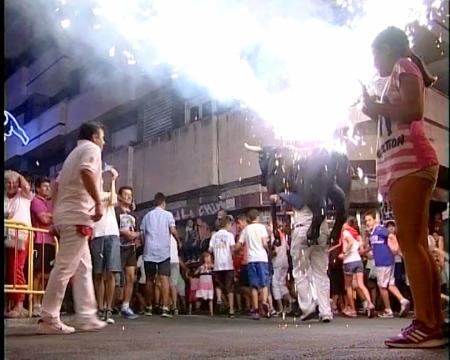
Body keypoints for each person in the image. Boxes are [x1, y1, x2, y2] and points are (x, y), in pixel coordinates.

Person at [362, 26, 445, 348]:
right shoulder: (403, 69)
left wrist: (377, 108)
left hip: (411, 165)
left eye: (374, 54)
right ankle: (433, 322)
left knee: (412, 246)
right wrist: (375, 109)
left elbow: (413, 111)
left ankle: (426, 325)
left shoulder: (403, 66)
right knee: (418, 246)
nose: (373, 62)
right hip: (409, 166)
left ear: (386, 49)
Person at [38, 122, 107, 334]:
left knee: (83, 267)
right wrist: (98, 202)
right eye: (102, 137)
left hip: (68, 215)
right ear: (95, 136)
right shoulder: (91, 149)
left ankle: (86, 315)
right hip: (78, 215)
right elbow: (87, 172)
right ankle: (49, 317)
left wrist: (57, 213)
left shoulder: (74, 153)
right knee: (65, 267)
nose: (104, 142)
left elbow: (56, 185)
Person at [278, 193, 333, 323]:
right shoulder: (323, 190)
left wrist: (280, 194)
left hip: (302, 229)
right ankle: (326, 311)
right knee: (321, 273)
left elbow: (298, 201)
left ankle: (308, 306)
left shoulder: (301, 190)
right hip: (322, 230)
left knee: (299, 271)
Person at [89, 167, 122, 324]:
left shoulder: (108, 195)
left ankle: (109, 308)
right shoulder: (89, 197)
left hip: (111, 234)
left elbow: (114, 201)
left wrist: (114, 180)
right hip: (97, 235)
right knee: (98, 274)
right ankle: (99, 307)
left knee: (111, 273)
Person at [364, 211, 410, 320]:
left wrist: (396, 250)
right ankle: (403, 301)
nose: (367, 223)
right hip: (384, 261)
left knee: (381, 286)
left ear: (375, 219)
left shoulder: (380, 230)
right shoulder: (374, 232)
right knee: (390, 284)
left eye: (369, 220)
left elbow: (391, 236)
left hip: (383, 262)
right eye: (366, 221)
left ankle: (388, 310)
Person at [142, 192, 180, 318]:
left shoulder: (147, 216)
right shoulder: (168, 215)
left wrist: (144, 245)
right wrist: (179, 241)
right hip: (164, 251)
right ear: (164, 203)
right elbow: (173, 230)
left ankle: (148, 307)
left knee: (149, 279)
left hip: (149, 251)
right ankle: (164, 308)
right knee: (164, 278)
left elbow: (142, 234)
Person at [5, 170, 33, 318]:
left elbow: (27, 187)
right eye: (8, 183)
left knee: (17, 269)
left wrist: (14, 173)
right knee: (10, 270)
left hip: (21, 235)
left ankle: (20, 304)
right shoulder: (5, 199)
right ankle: (11, 304)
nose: (11, 185)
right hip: (8, 237)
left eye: (14, 183)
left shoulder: (23, 195)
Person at [235, 209, 270, 320]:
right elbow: (264, 243)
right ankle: (264, 302)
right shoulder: (262, 227)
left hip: (251, 259)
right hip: (262, 258)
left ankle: (255, 310)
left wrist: (232, 249)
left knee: (254, 286)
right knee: (264, 283)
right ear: (258, 217)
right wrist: (268, 251)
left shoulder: (246, 230)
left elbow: (239, 245)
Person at [340, 218, 375, 318]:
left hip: (349, 261)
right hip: (358, 261)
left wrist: (344, 253)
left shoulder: (346, 232)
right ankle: (369, 303)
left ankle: (353, 309)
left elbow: (350, 243)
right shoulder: (358, 236)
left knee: (349, 286)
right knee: (361, 284)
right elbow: (361, 249)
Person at [30, 177, 56, 317]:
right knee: (37, 273)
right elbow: (44, 219)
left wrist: (51, 215)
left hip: (51, 242)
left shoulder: (50, 203)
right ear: (38, 188)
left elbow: (51, 217)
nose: (47, 189)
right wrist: (54, 216)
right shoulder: (35, 201)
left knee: (47, 275)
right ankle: (35, 303)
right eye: (44, 186)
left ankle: (43, 303)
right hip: (39, 241)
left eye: (48, 186)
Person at [115, 186, 140, 320]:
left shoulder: (134, 215)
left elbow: (138, 231)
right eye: (126, 195)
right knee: (115, 278)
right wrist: (123, 233)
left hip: (130, 249)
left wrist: (134, 235)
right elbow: (113, 228)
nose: (129, 197)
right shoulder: (115, 211)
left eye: (130, 195)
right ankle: (110, 305)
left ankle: (125, 305)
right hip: (118, 247)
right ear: (119, 196)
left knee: (130, 277)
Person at [209, 215, 236, 318]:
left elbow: (210, 250)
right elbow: (233, 249)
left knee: (218, 285)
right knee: (230, 288)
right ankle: (231, 310)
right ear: (228, 224)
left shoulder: (214, 236)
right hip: (228, 264)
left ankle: (219, 299)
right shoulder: (230, 235)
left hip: (217, 264)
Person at [271, 227, 293, 315]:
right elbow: (287, 248)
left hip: (277, 263)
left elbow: (274, 252)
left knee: (275, 284)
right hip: (285, 262)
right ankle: (291, 301)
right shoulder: (283, 236)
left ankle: (280, 308)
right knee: (281, 284)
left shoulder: (274, 236)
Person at [195, 252, 215, 316]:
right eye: (206, 257)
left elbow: (214, 268)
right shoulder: (201, 266)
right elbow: (196, 272)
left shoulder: (212, 265)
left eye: (209, 257)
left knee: (210, 298)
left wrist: (211, 266)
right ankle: (197, 308)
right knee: (200, 297)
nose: (207, 259)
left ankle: (211, 312)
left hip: (209, 283)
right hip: (202, 283)